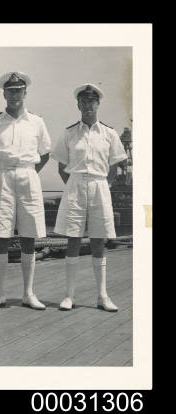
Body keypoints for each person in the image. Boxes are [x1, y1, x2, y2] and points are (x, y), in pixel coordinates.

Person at [51, 83, 127, 312]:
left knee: (98, 240)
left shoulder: (109, 133)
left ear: (98, 104)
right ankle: (69, 296)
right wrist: (75, 185)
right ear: (78, 104)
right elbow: (61, 166)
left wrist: (106, 184)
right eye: (83, 101)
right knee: (73, 239)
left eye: (91, 101)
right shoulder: (70, 132)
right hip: (75, 185)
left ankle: (102, 296)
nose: (87, 105)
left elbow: (115, 164)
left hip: (99, 185)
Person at [0, 72, 51, 310]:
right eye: (11, 91)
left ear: (25, 93)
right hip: (2, 176)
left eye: (19, 90)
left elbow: (45, 152)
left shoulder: (37, 122)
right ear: (4, 94)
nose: (15, 95)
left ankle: (28, 294)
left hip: (28, 175)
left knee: (29, 235)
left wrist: (29, 172)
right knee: (1, 235)